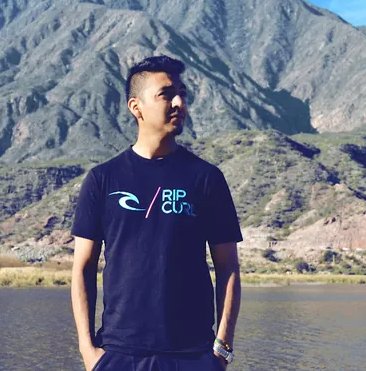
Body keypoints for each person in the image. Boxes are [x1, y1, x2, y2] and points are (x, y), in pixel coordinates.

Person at [71, 55, 242, 371]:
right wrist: (87, 349)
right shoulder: (102, 179)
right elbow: (83, 267)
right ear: (136, 107)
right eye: (166, 94)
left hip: (193, 356)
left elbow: (228, 266)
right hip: (118, 354)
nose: (179, 103)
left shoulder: (206, 178)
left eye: (182, 94)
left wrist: (222, 349)